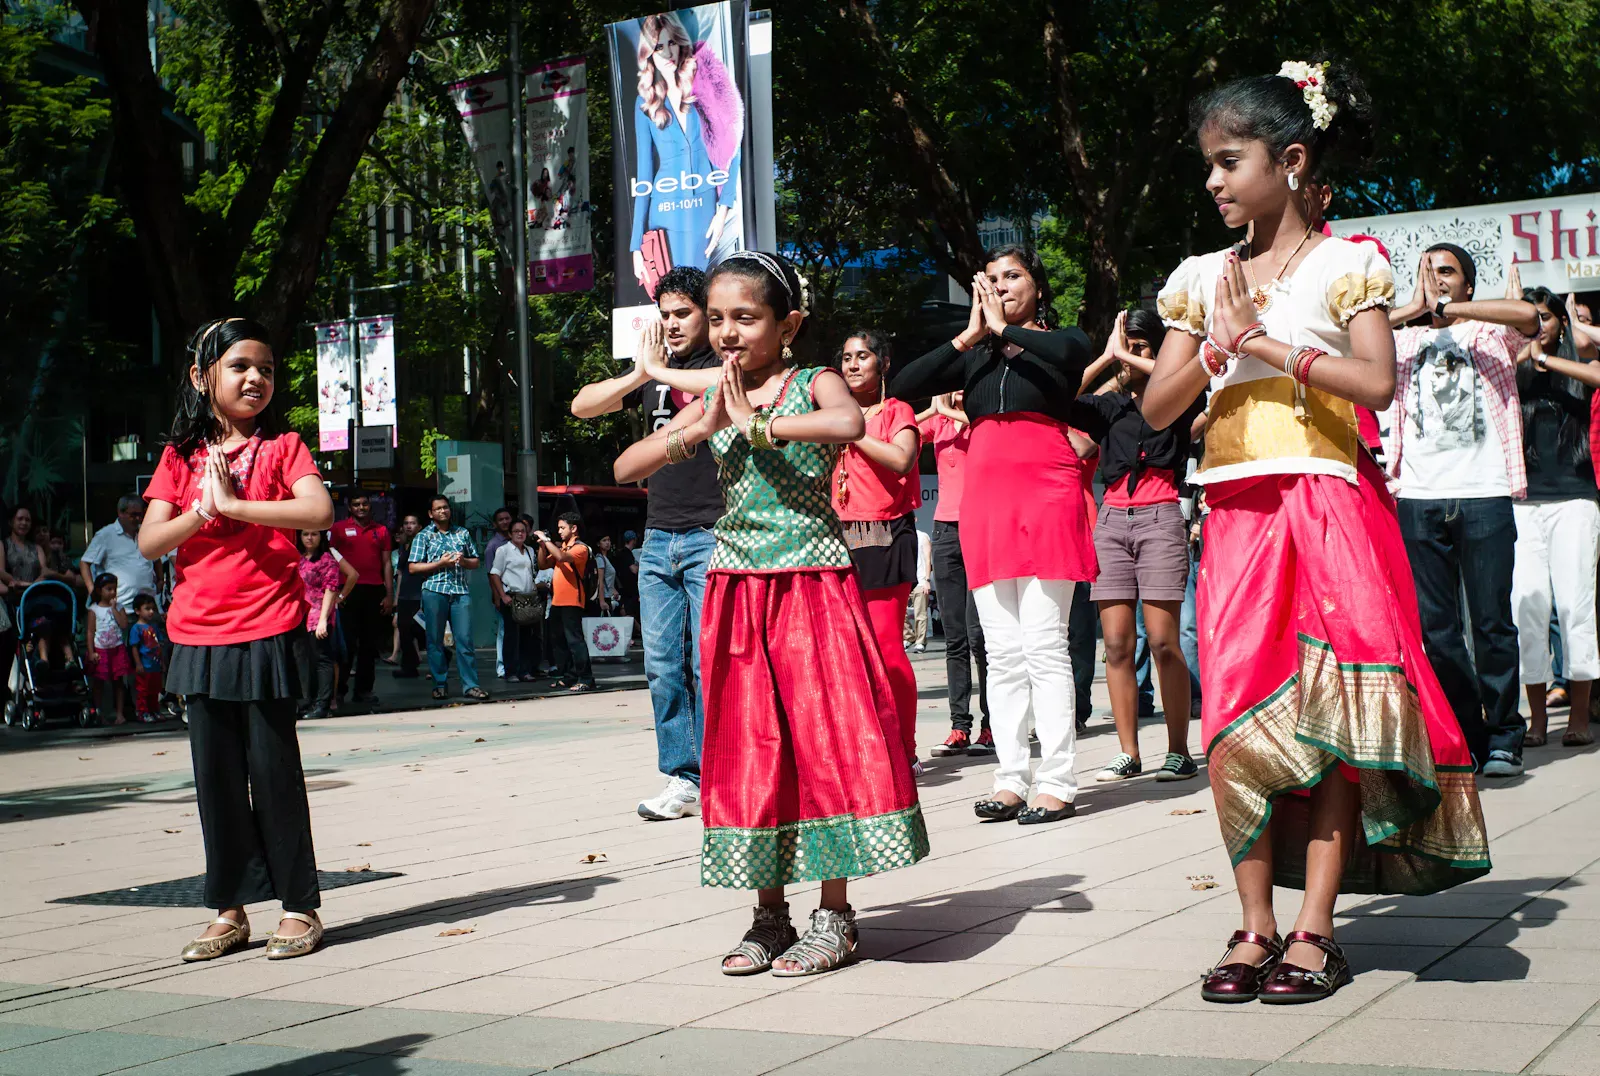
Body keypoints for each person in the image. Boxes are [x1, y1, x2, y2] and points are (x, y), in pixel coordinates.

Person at [1141, 59, 1490, 1004]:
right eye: (1207, 165)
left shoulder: (1350, 263)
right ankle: (1251, 926)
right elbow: (1158, 403)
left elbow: (1377, 382)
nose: (1212, 182)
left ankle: (1314, 929)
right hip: (1238, 514)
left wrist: (1268, 345)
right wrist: (1217, 341)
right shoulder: (1196, 277)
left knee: (1335, 723)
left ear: (1290, 161)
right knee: (1235, 721)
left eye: (1228, 161)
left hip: (1332, 505)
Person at [614, 249, 928, 976]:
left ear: (787, 323)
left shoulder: (808, 379)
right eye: (717, 318)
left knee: (822, 747)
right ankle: (768, 916)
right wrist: (697, 428)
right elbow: (628, 467)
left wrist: (758, 426)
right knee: (752, 752)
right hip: (735, 590)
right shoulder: (716, 391)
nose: (727, 332)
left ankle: (836, 915)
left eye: (744, 318)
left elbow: (848, 424)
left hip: (811, 586)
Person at [140, 316, 335, 962]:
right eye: (240, 367)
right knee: (215, 780)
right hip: (197, 636)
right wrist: (202, 509)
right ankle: (229, 910)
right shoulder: (180, 457)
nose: (256, 379)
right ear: (202, 378)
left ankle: (298, 907)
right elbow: (150, 541)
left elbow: (317, 511)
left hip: (267, 628)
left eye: (267, 370)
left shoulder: (284, 449)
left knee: (274, 774)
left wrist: (237, 508)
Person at [892, 245, 1096, 826]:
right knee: (1002, 653)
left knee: (1043, 644)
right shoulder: (977, 354)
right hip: (985, 503)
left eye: (1013, 276)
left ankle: (1056, 780)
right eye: (992, 280)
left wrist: (1007, 329)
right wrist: (969, 337)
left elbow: (1069, 355)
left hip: (1046, 492)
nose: (1002, 285)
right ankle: (1011, 778)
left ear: (1036, 285)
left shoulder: (1063, 341)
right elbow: (906, 384)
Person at [572, 265, 719, 821]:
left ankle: (720, 773)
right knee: (661, 663)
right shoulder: (659, 370)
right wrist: (643, 373)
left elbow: (729, 388)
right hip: (658, 535)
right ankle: (682, 777)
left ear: (709, 313)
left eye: (683, 313)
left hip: (713, 529)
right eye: (664, 315)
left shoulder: (722, 364)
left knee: (709, 663)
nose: (672, 323)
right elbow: (582, 406)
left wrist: (663, 369)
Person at [1385, 246, 1537, 775]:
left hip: (1484, 491)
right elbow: (1359, 334)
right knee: (1436, 629)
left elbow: (1530, 318)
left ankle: (1504, 735)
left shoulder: (1487, 334)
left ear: (1468, 285)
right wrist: (1417, 306)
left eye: (1445, 271)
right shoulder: (1402, 340)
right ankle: (1470, 737)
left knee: (1492, 622)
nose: (1435, 280)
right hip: (1419, 497)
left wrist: (1454, 310)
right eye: (1426, 271)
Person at [1076, 310, 1203, 783]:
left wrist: (1142, 359)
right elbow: (1060, 397)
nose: (1130, 356)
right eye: (1126, 346)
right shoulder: (1110, 405)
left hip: (1161, 516)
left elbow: (1194, 385)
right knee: (1115, 645)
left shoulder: (1176, 402)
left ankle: (1178, 750)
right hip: (1110, 520)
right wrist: (1108, 357)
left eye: (1141, 346)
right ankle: (1128, 752)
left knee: (1166, 642)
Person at [1506, 287, 1599, 749]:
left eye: (1545, 317)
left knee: (1574, 606)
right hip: (1523, 503)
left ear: (1561, 322)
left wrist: (1547, 357)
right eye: (1530, 318)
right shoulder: (1512, 370)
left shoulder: (1579, 369)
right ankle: (1537, 719)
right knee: (1528, 608)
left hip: (1575, 500)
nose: (1538, 324)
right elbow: (1501, 364)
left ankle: (1579, 715)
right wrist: (1526, 351)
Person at [833, 329, 923, 770]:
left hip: (885, 535)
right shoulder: (828, 413)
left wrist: (853, 431)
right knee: (846, 653)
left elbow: (902, 459)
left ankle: (903, 748)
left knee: (887, 647)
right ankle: (862, 747)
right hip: (835, 538)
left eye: (863, 356)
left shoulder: (896, 410)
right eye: (847, 356)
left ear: (882, 364)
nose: (852, 364)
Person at [627, 12, 742, 292]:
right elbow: (644, 175)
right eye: (658, 46)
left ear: (680, 43)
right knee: (675, 298)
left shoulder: (702, 86)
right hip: (664, 212)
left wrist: (723, 207)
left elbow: (731, 143)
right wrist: (635, 244)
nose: (667, 52)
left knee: (708, 297)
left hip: (705, 208)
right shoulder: (644, 105)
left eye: (671, 43)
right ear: (649, 53)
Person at [919, 393, 993, 756]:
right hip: (945, 531)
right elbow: (898, 433)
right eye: (953, 388)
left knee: (981, 636)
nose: (961, 393)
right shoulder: (938, 423)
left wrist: (945, 408)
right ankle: (959, 727)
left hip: (980, 526)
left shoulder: (982, 417)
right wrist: (932, 409)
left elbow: (979, 429)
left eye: (965, 386)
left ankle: (992, 726)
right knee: (955, 638)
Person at [409, 496, 488, 701]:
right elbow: (413, 566)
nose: (443, 511)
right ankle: (440, 684)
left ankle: (471, 685)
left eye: (445, 508)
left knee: (464, 640)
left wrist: (463, 561)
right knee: (435, 641)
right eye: (438, 509)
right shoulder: (424, 535)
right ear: (431, 513)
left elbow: (476, 562)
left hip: (460, 592)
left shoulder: (462, 533)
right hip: (434, 591)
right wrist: (439, 564)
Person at [328, 493, 392, 707]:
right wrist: (336, 592)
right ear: (350, 506)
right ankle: (339, 691)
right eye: (357, 503)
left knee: (368, 645)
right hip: (347, 592)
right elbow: (331, 560)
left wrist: (389, 594)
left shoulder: (381, 530)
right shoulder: (337, 529)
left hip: (373, 591)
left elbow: (386, 564)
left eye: (365, 503)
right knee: (346, 646)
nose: (361, 507)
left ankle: (364, 690)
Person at [298, 529, 356, 720]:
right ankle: (307, 701)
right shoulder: (299, 557)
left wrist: (324, 618)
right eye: (305, 534)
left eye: (314, 534)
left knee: (323, 659)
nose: (309, 538)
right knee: (306, 659)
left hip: (318, 614)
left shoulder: (327, 559)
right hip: (300, 614)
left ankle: (322, 704)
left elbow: (332, 588)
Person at [535, 512, 596, 692]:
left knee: (575, 641)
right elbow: (543, 565)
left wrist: (546, 540)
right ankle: (569, 676)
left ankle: (586, 678)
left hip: (573, 601)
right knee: (559, 642)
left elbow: (561, 559)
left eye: (562, 528)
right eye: (559, 528)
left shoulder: (580, 548)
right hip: (557, 602)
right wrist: (542, 546)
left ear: (573, 528)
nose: (559, 531)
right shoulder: (561, 548)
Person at [81, 494, 156, 613]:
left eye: (140, 515)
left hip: (147, 608)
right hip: (119, 608)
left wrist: (161, 580)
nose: (138, 519)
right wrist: (93, 591)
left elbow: (156, 558)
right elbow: (85, 563)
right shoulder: (106, 535)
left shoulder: (146, 532)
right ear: (120, 513)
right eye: (133, 515)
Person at [490, 518, 543, 682]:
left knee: (528, 636)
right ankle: (510, 671)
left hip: (528, 597)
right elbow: (494, 573)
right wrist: (502, 595)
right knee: (511, 636)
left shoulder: (529, 550)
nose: (520, 534)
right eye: (516, 531)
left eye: (523, 531)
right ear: (510, 534)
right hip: (512, 597)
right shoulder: (503, 550)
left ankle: (525, 670)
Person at [85, 573, 131, 724]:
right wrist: (91, 652)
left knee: (118, 682)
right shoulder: (94, 609)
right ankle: (100, 713)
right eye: (108, 589)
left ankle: (119, 714)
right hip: (101, 650)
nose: (112, 592)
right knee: (99, 683)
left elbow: (124, 624)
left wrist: (114, 609)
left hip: (117, 648)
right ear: (99, 591)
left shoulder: (119, 607)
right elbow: (91, 631)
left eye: (114, 589)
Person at [391, 513, 425, 678]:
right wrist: (396, 598)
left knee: (421, 630)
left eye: (412, 523)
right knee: (404, 632)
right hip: (405, 595)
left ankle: (442, 657)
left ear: (419, 527)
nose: (409, 526)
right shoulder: (404, 547)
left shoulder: (424, 544)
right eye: (406, 523)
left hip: (420, 594)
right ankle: (409, 667)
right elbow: (401, 574)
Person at [482, 507, 514, 677]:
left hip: (518, 593)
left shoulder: (516, 540)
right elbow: (491, 574)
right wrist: (497, 596)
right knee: (503, 630)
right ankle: (501, 666)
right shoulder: (493, 546)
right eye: (500, 519)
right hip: (502, 593)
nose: (504, 522)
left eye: (507, 518)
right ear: (495, 524)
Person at [129, 594, 166, 723]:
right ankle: (142, 712)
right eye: (147, 608)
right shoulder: (136, 628)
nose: (151, 612)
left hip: (155, 664)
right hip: (145, 665)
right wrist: (138, 664)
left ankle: (154, 710)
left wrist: (162, 662)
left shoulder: (154, 626)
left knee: (155, 690)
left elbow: (159, 645)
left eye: (152, 608)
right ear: (137, 611)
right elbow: (134, 647)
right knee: (143, 691)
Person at [906, 527, 932, 653]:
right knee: (901, 613)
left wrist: (927, 580)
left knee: (920, 614)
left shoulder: (922, 536)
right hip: (905, 580)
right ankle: (909, 637)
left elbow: (928, 559)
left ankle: (920, 641)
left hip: (920, 580)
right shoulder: (901, 536)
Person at [614, 530, 640, 618]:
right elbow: (634, 570)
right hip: (629, 588)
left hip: (623, 586)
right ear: (633, 540)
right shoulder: (627, 553)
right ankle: (638, 629)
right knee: (629, 611)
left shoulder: (620, 553)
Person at [597, 535, 622, 614]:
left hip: (609, 596)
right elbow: (600, 581)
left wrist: (613, 590)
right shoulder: (600, 558)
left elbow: (607, 579)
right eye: (604, 540)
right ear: (598, 544)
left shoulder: (606, 558)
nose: (607, 543)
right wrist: (602, 601)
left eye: (608, 540)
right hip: (604, 598)